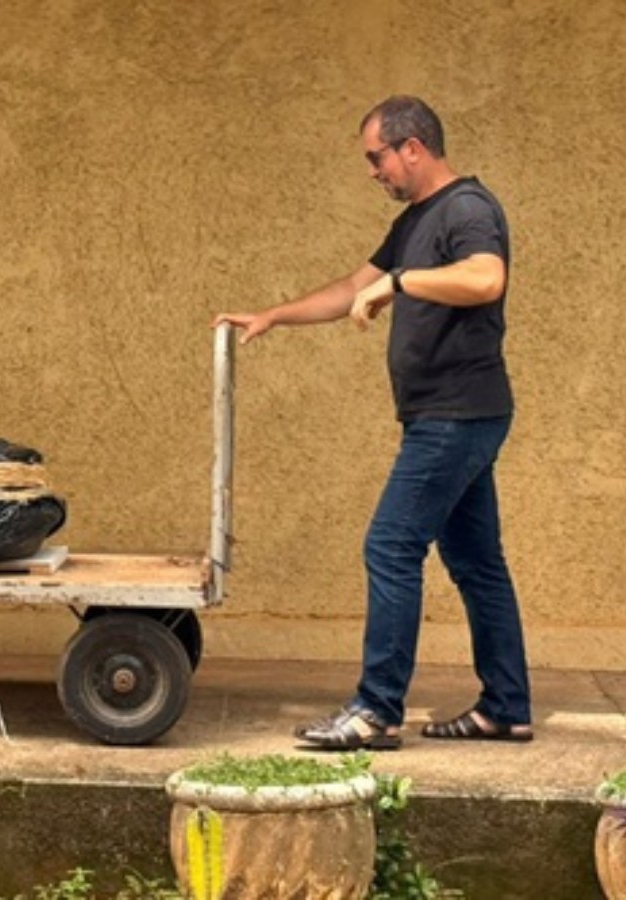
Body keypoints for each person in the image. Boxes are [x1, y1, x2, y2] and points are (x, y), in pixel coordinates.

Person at [214, 95, 533, 750]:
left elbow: (485, 278)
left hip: (456, 414)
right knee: (476, 562)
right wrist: (273, 316)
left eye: (376, 157)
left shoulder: (468, 208)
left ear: (411, 147)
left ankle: (376, 710)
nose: (372, 172)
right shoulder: (415, 221)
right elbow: (350, 288)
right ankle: (506, 707)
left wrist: (403, 283)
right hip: (453, 415)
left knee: (390, 545)